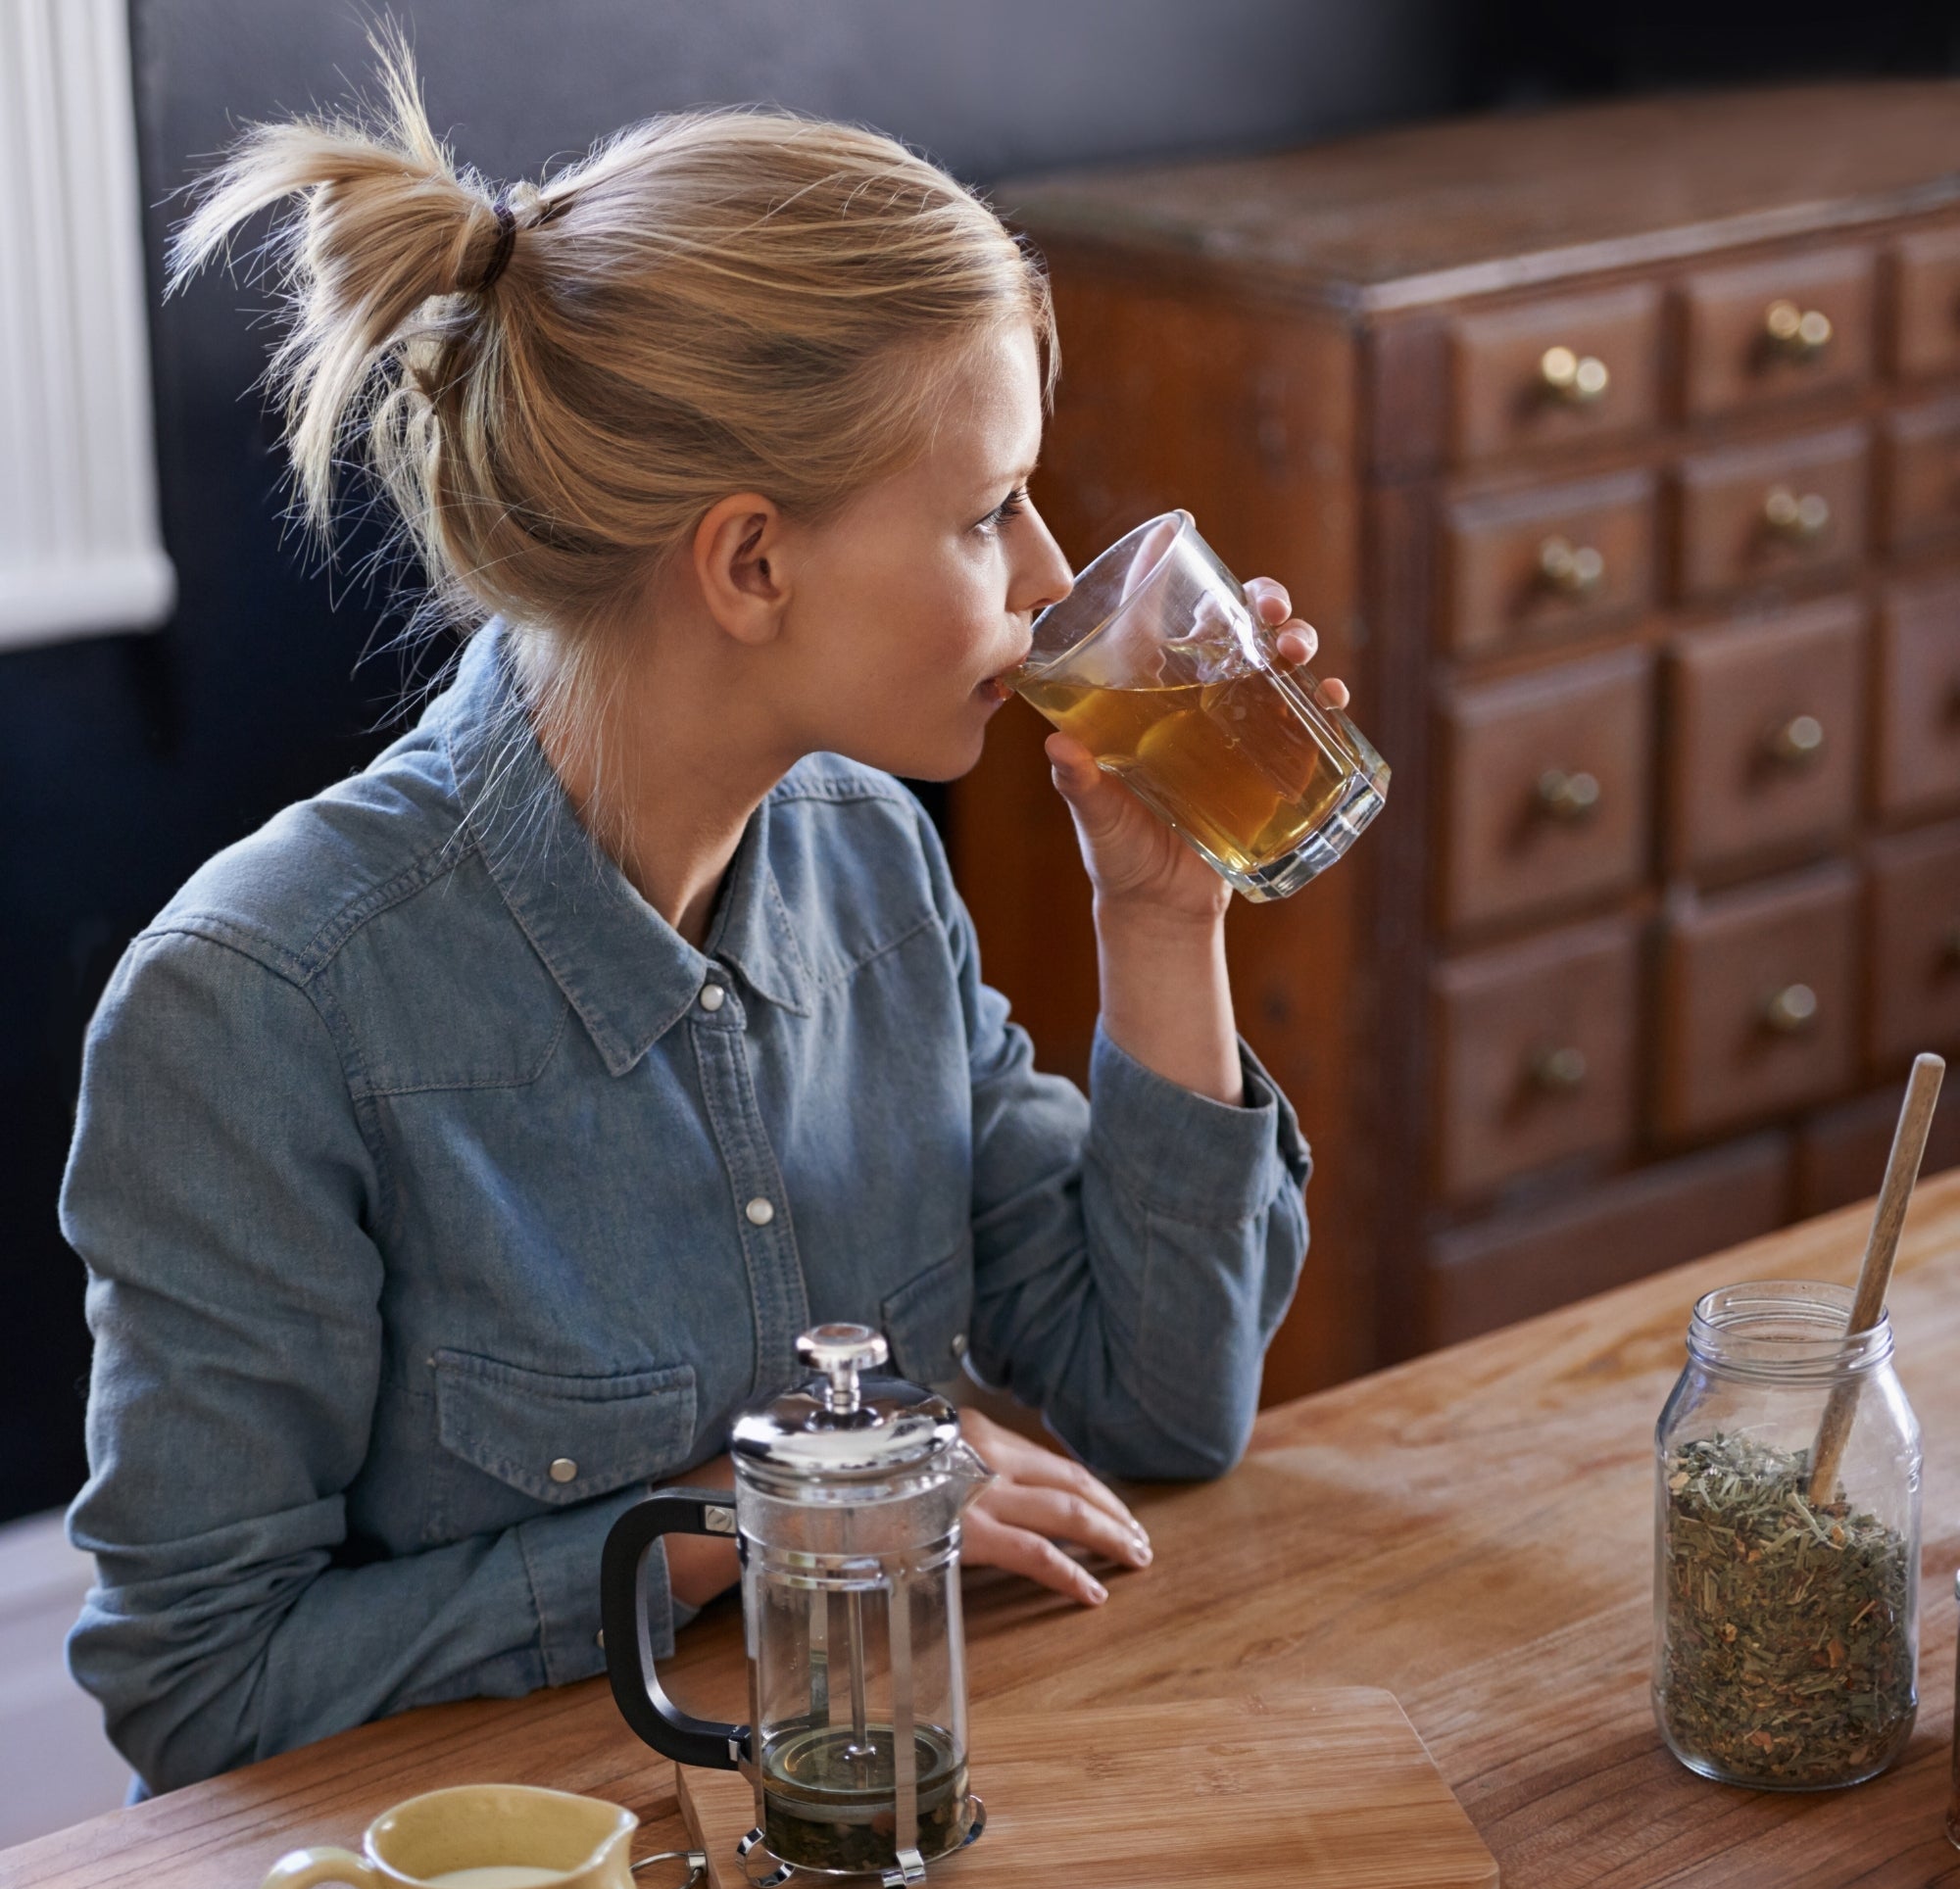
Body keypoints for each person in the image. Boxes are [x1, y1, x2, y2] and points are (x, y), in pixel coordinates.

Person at [61, 42, 1330, 1797]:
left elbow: (1166, 1412)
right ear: (749, 565)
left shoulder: (870, 855)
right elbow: (199, 1694)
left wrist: (1163, 914)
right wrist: (758, 1523)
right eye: (984, 514)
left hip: (869, 1816)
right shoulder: (258, 1009)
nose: (1050, 576)